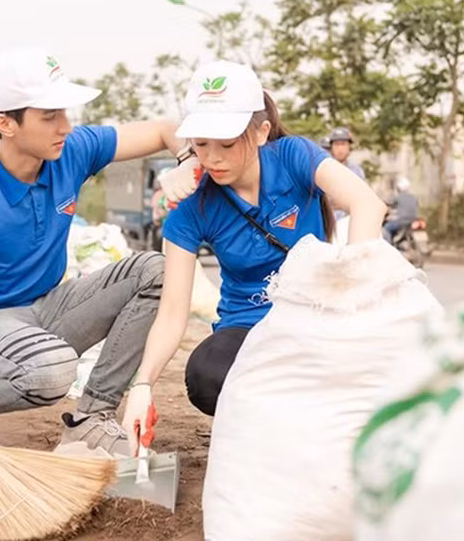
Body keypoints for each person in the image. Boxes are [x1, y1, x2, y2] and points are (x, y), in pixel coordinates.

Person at [0, 47, 187, 459]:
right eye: (49, 117)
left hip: (43, 310)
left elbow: (164, 129)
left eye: (64, 113)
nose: (65, 126)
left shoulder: (71, 152)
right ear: (6, 123)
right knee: (53, 369)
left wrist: (187, 160)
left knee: (156, 270)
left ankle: (91, 421)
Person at [120, 60, 387, 453]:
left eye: (226, 144)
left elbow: (368, 204)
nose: (212, 159)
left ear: (261, 132)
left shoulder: (294, 157)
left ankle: (299, 419)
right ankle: (281, 425)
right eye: (201, 144)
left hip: (315, 316)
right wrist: (142, 384)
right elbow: (174, 311)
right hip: (249, 330)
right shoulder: (192, 207)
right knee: (206, 374)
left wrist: (350, 293)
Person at [328, 127, 365, 221]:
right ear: (331, 148)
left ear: (349, 147)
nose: (340, 148)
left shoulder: (356, 171)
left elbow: (361, 199)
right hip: (328, 224)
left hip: (351, 223)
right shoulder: (324, 169)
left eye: (343, 144)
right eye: (336, 144)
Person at [383, 176, 418, 244]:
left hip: (401, 220)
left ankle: (389, 247)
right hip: (413, 220)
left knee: (386, 229)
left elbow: (389, 203)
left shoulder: (398, 197)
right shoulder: (413, 197)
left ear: (399, 188)